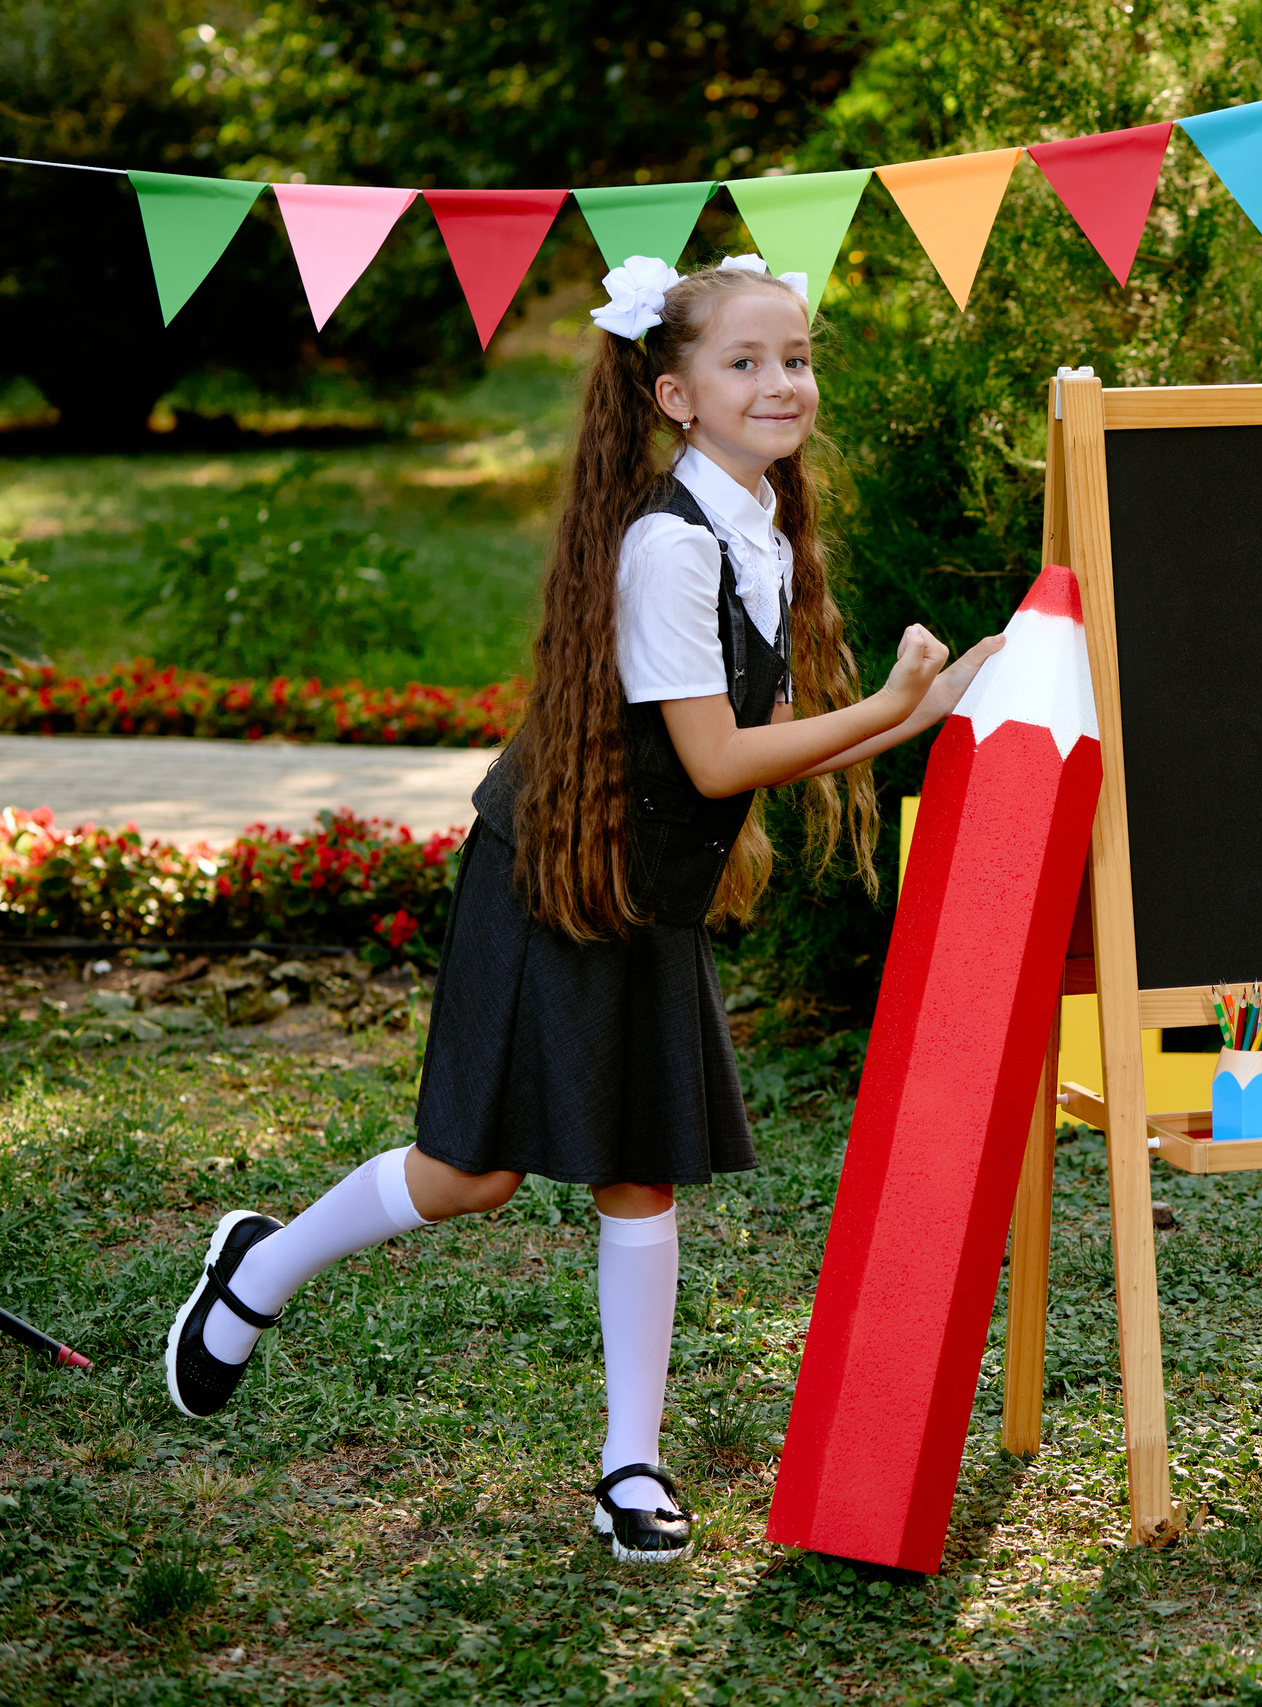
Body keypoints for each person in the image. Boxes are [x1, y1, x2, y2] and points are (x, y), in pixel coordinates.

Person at [160, 254, 1001, 1563]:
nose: (783, 381)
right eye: (747, 362)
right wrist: (889, 708)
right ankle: (257, 1270)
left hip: (644, 892)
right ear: (674, 394)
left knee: (637, 1163)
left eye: (797, 357)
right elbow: (720, 763)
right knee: (475, 1169)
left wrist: (924, 715)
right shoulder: (666, 545)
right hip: (549, 874)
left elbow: (761, 736)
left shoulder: (761, 522)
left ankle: (631, 1464)